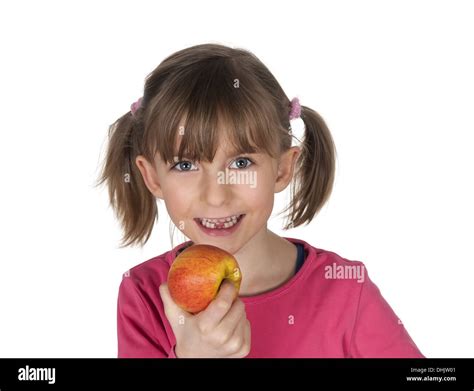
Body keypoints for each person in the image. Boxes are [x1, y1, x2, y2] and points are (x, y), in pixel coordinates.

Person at [98, 43, 424, 358]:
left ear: (282, 169)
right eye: (185, 165)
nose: (216, 195)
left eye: (241, 163)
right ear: (153, 177)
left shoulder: (344, 289)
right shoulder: (144, 295)